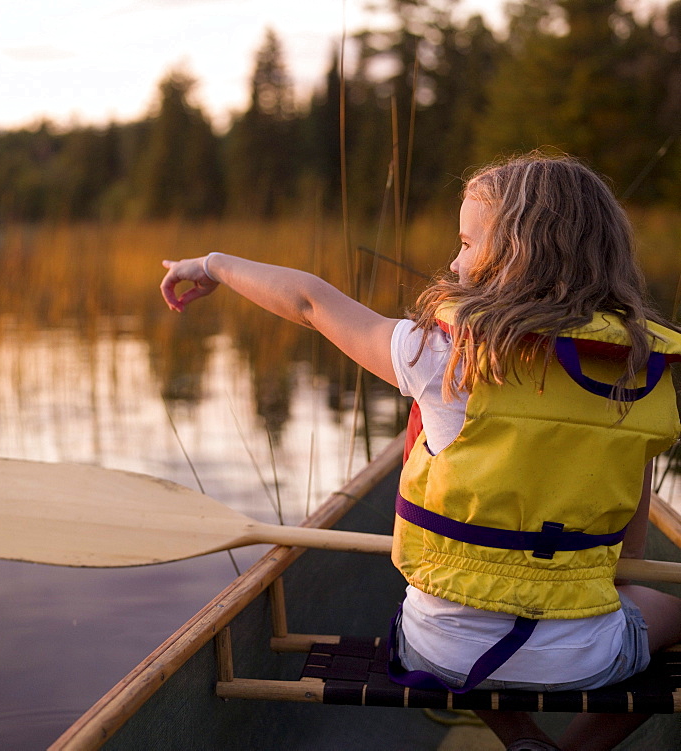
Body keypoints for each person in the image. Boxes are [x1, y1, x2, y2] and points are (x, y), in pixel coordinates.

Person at [159, 152, 681, 751]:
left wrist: (215, 264)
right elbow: (628, 558)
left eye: (465, 242)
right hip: (583, 661)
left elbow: (308, 301)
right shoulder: (643, 375)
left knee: (434, 622)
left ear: (516, 253)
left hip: (441, 651)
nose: (453, 262)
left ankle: (520, 739)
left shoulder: (441, 357)